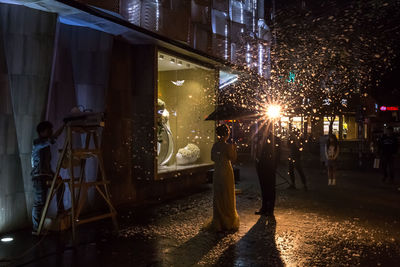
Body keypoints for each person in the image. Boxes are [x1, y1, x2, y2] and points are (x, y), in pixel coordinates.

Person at [31, 121, 65, 234]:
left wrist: (54, 174)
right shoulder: (37, 143)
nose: (50, 132)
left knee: (60, 184)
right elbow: (52, 139)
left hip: (45, 176)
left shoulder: (45, 146)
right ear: (41, 132)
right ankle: (37, 228)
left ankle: (61, 211)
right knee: (40, 203)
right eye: (48, 130)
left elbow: (46, 165)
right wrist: (64, 125)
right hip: (39, 177)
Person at [207, 124, 239, 231]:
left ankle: (219, 220)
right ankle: (228, 219)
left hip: (217, 171)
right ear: (227, 134)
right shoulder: (228, 146)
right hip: (226, 171)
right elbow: (233, 158)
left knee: (218, 195)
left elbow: (213, 158)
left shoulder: (215, 146)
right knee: (227, 194)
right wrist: (234, 148)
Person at [255, 129, 281, 216]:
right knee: (263, 187)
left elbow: (278, 154)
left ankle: (270, 209)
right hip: (260, 166)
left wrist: (274, 166)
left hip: (270, 167)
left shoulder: (275, 139)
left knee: (270, 188)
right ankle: (264, 207)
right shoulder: (259, 137)